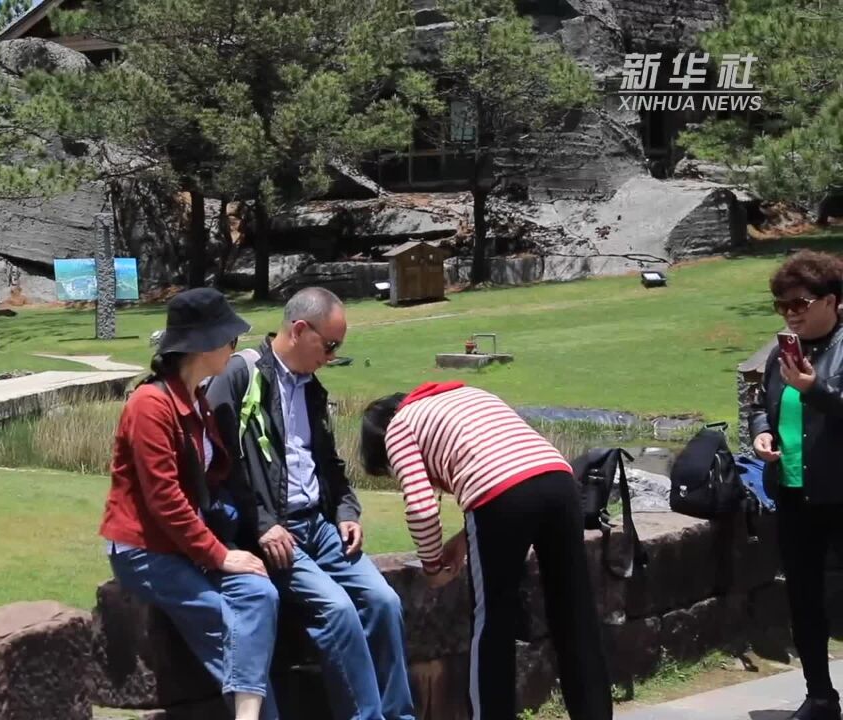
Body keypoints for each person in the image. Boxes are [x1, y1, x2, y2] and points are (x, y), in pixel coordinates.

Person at [207, 287, 415, 720]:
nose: (333, 355)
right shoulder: (239, 376)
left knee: (385, 602)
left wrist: (346, 511)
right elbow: (221, 467)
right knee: (337, 609)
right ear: (300, 330)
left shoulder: (313, 389)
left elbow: (329, 464)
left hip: (320, 527)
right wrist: (262, 523)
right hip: (273, 535)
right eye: (330, 345)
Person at [359, 382, 612, 720]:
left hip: (498, 496)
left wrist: (433, 566)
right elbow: (512, 466)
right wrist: (465, 538)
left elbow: (421, 507)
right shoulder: (471, 394)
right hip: (559, 482)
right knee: (575, 613)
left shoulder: (399, 427)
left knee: (492, 626)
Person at [100, 288, 280, 720]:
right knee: (227, 620)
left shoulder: (195, 401)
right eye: (231, 340)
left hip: (185, 548)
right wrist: (220, 554)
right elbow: (165, 500)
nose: (235, 349)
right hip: (145, 551)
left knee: (260, 594)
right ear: (206, 345)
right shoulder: (150, 405)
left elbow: (214, 478)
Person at [750, 250, 843, 720]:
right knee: (803, 599)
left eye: (800, 304)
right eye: (781, 305)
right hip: (793, 493)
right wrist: (760, 432)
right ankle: (821, 697)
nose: (790, 313)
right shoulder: (783, 352)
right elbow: (761, 405)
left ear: (832, 301)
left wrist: (816, 390)